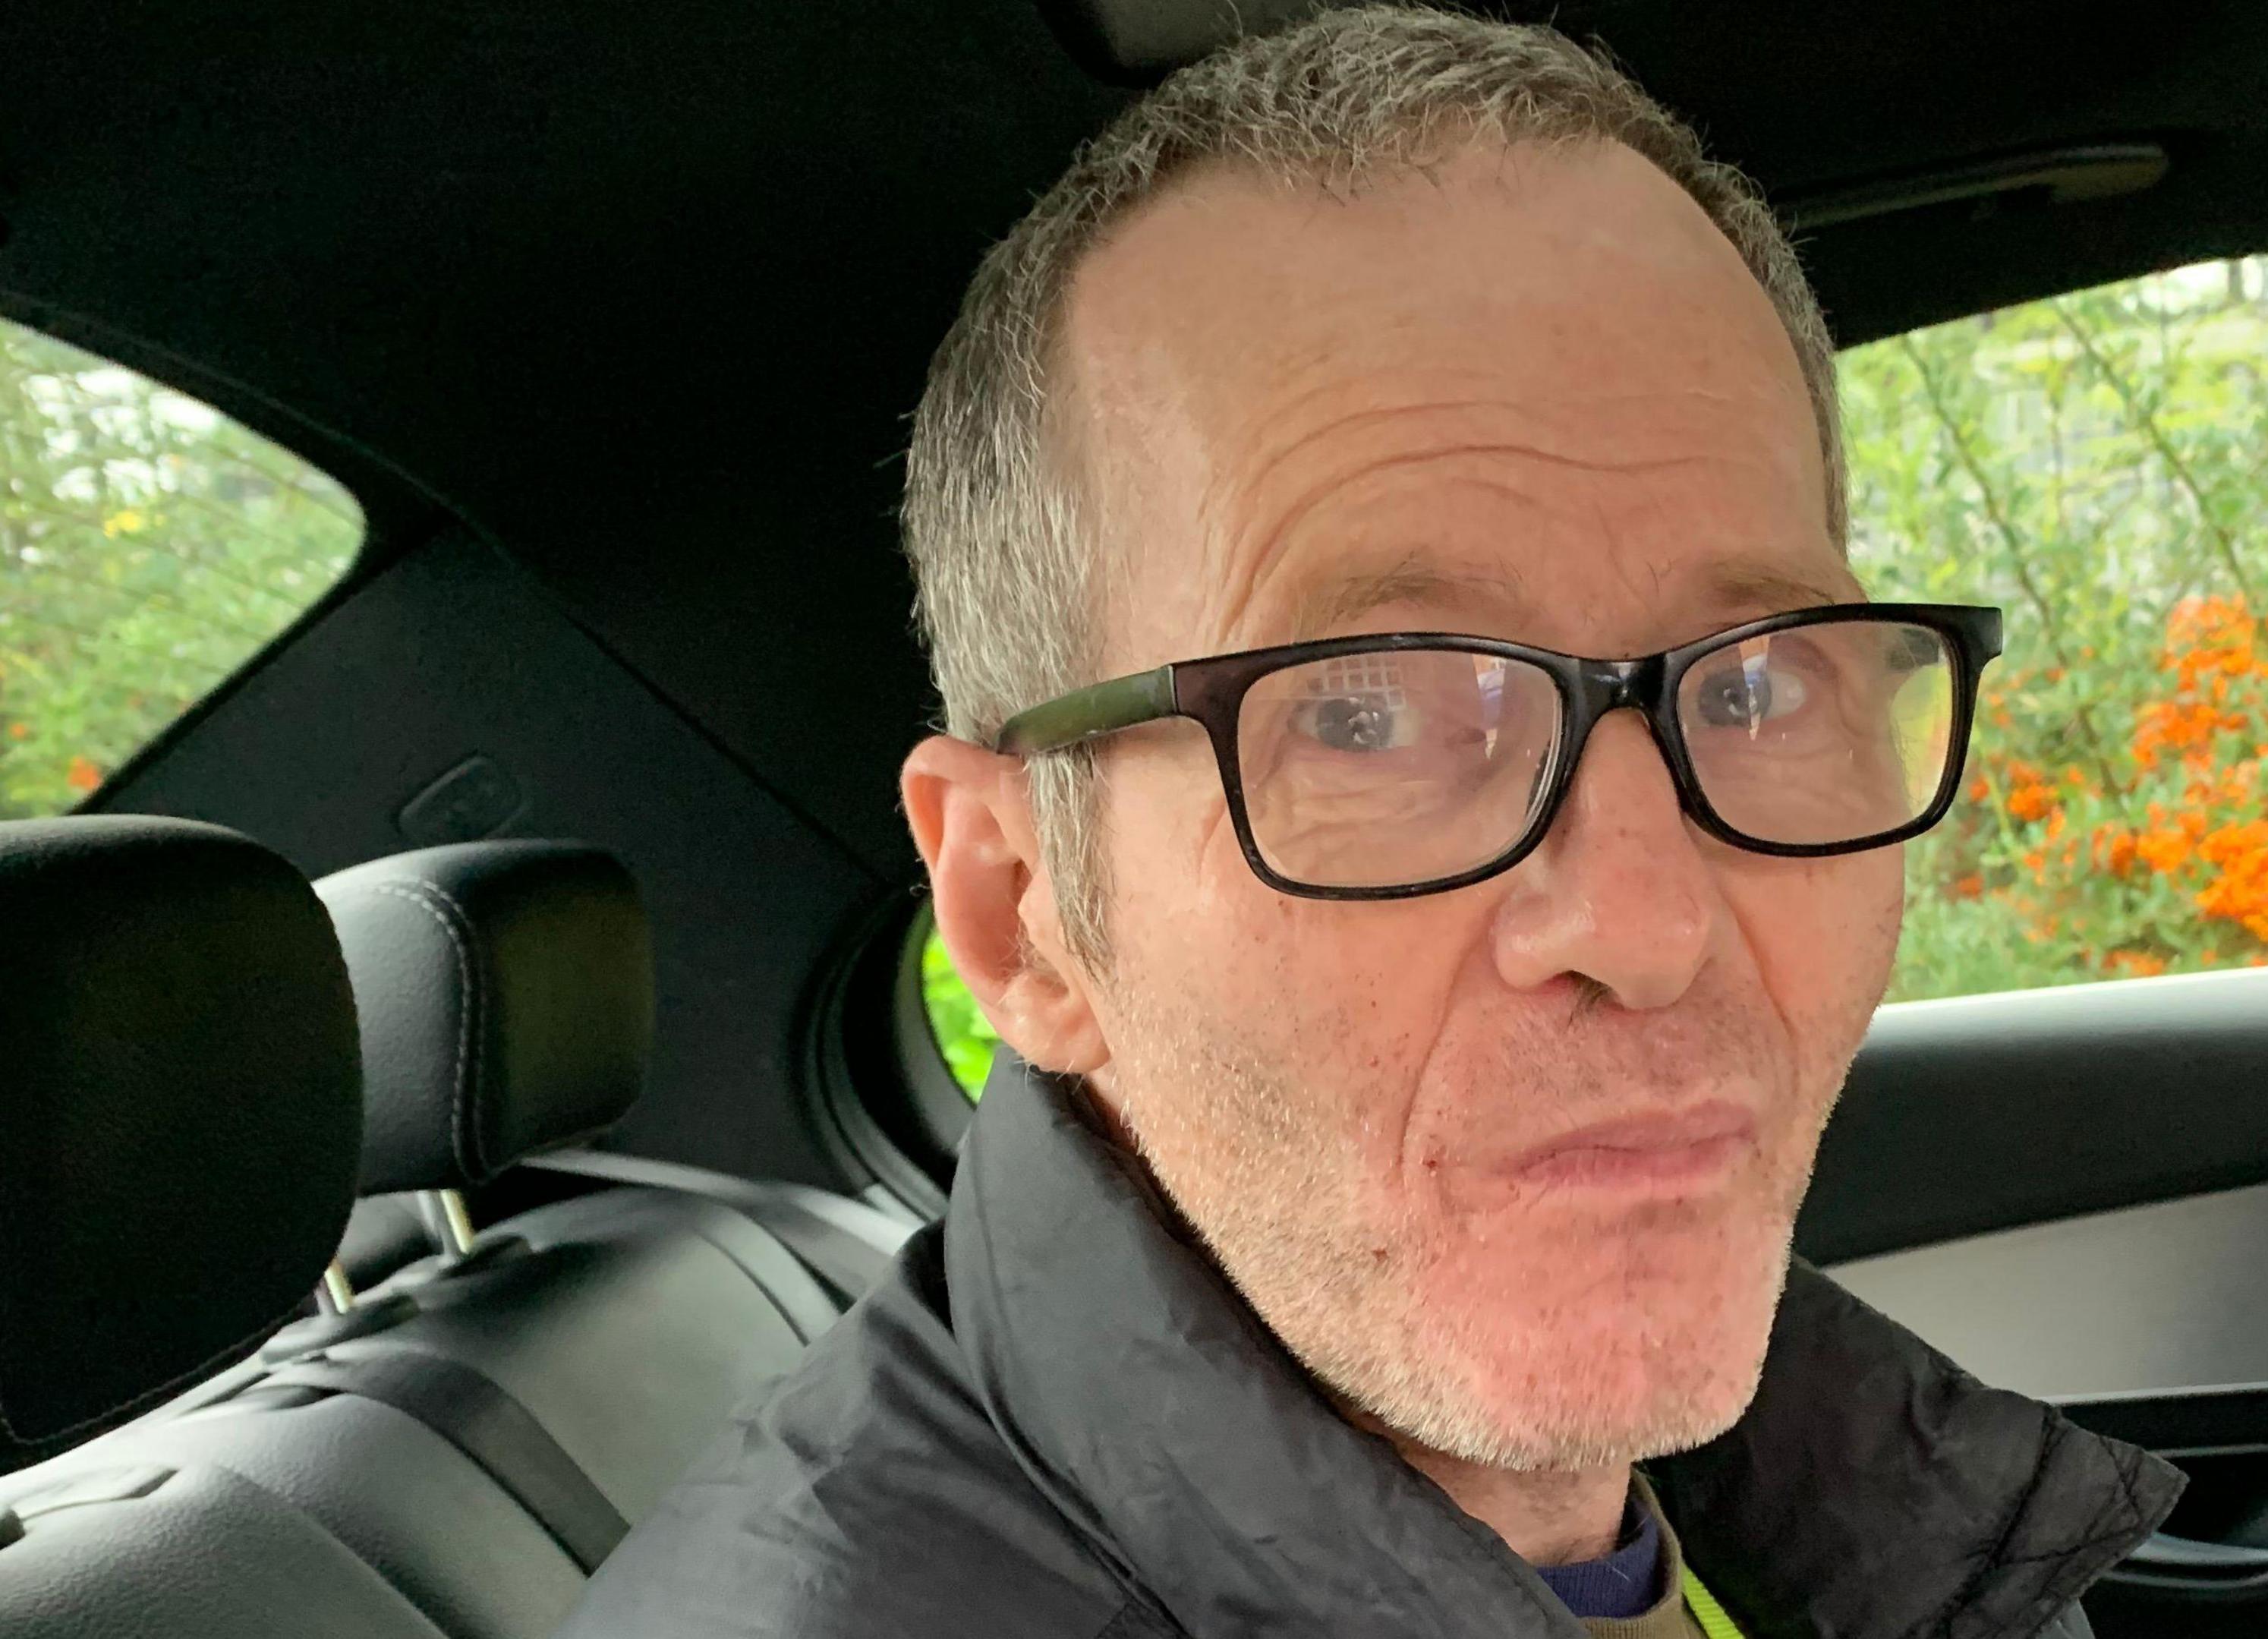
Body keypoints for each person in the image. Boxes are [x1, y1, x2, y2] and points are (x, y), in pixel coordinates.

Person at [559, 8, 2180, 1636]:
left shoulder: (1807, 1509)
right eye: (1367, 714)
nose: (1647, 920)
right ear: (1015, 907)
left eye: (1756, 688)